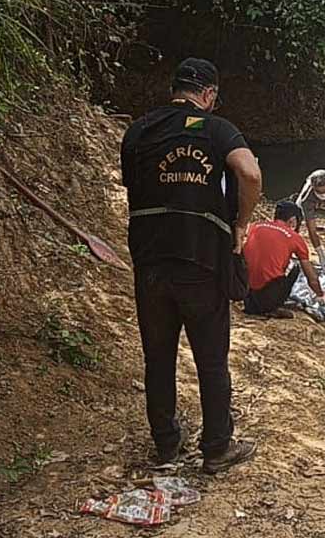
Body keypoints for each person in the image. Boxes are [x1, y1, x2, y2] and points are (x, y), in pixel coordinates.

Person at [120, 57, 262, 474]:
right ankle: (216, 448)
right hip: (201, 262)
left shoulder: (139, 131)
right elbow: (250, 174)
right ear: (209, 95)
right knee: (211, 360)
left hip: (150, 263)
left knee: (158, 357)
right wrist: (241, 223)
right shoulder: (216, 129)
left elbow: (135, 188)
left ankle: (165, 443)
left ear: (175, 89)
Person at [242, 201, 325, 317]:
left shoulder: (255, 226)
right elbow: (312, 279)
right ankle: (273, 308)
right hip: (266, 299)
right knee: (295, 268)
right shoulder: (295, 238)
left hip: (245, 293)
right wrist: (320, 295)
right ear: (292, 220)